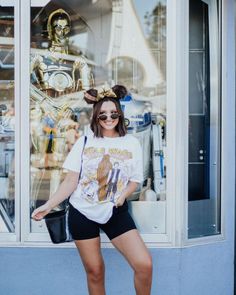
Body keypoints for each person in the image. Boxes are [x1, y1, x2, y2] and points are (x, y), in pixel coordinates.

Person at [31, 84, 153, 295]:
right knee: (95, 271)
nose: (108, 118)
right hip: (82, 212)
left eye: (113, 113)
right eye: (102, 114)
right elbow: (70, 181)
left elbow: (135, 180)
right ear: (96, 116)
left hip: (115, 210)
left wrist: (123, 195)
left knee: (144, 265)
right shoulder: (84, 141)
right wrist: (48, 206)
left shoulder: (131, 143)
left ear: (119, 114)